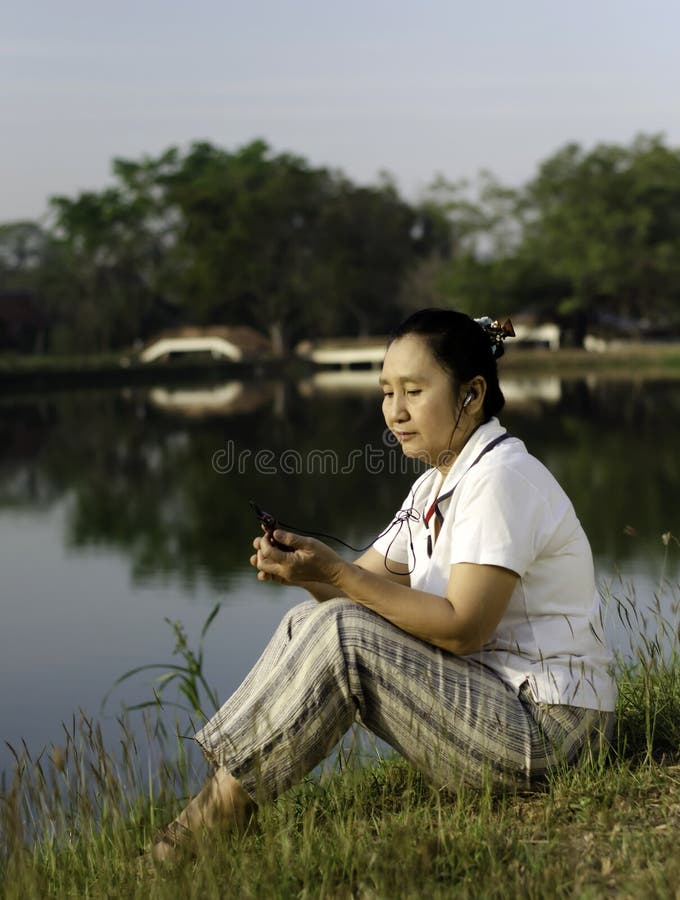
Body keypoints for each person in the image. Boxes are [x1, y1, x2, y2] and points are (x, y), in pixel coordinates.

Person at [148, 308, 617, 862]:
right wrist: (310, 575)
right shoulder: (430, 490)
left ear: (472, 393)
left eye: (414, 391)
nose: (395, 412)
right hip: (495, 704)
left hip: (554, 731)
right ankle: (223, 801)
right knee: (309, 621)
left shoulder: (500, 480)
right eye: (387, 392)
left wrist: (337, 575)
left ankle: (200, 831)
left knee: (343, 633)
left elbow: (463, 629)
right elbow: (359, 593)